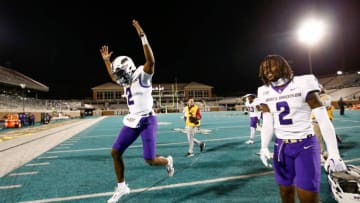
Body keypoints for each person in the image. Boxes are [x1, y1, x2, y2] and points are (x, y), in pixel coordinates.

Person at [100, 19, 174, 203]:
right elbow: (112, 75)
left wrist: (142, 35)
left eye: (121, 73)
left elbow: (151, 60)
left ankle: (167, 160)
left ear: (129, 68)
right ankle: (122, 187)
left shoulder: (142, 75)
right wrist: (107, 61)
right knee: (115, 152)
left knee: (149, 160)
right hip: (133, 120)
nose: (119, 78)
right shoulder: (125, 79)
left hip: (148, 120)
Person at [257, 55, 346, 203]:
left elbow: (322, 118)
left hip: (305, 145)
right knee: (285, 194)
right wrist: (263, 147)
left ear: (283, 66)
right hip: (281, 147)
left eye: (271, 66)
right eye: (264, 69)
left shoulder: (303, 82)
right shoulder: (263, 91)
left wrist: (334, 153)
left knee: (308, 197)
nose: (267, 71)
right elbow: (267, 121)